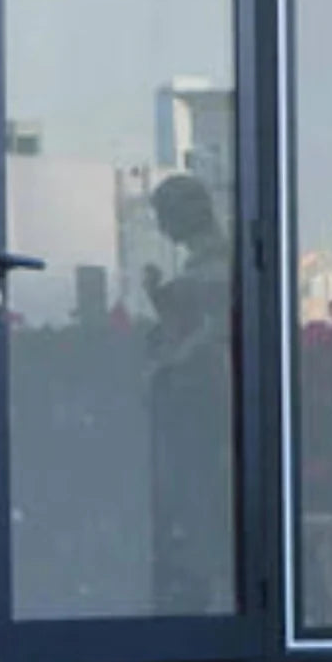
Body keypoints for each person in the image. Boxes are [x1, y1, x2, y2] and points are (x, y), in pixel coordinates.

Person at [142, 174, 234, 615]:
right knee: (192, 493)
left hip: (208, 397)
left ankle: (216, 584)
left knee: (202, 492)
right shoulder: (203, 262)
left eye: (164, 215)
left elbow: (213, 328)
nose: (161, 227)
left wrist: (174, 357)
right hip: (195, 397)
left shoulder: (216, 264)